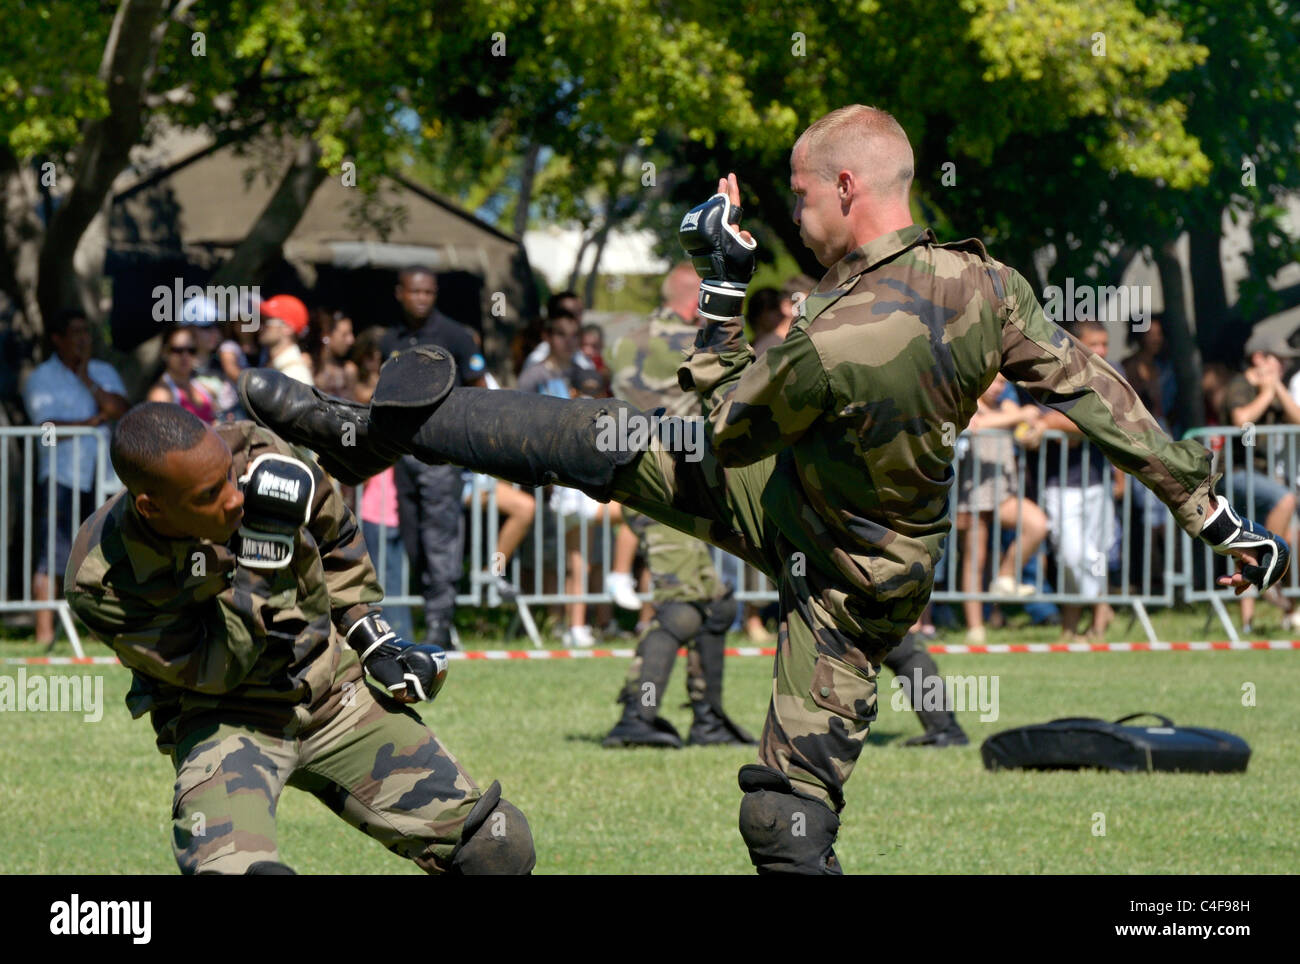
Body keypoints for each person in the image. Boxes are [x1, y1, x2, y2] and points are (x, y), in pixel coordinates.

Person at [238, 104, 1289, 874]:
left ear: (847, 189)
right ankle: (361, 431)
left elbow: (716, 420)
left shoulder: (832, 339)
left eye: (798, 189)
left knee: (600, 447)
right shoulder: (989, 285)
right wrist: (1212, 512)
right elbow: (1103, 396)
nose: (793, 206)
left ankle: (371, 430)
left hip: (812, 543)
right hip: (857, 550)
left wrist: (725, 292)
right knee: (600, 446)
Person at [63, 403, 533, 874]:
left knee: (496, 846)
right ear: (151, 506)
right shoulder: (104, 578)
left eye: (229, 476)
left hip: (330, 691)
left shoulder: (256, 454)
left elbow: (334, 535)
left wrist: (373, 638)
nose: (233, 498)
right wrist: (257, 563)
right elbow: (218, 671)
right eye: (210, 494)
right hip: (223, 720)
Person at [600, 262, 757, 746]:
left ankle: (708, 718)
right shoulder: (693, 344)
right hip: (672, 483)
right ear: (696, 303)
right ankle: (636, 716)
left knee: (714, 604)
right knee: (683, 605)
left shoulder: (624, 340)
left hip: (636, 477)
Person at [381, 267, 487, 649]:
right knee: (414, 542)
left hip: (441, 455)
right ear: (401, 293)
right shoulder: (389, 339)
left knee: (440, 538)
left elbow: (480, 388)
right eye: (415, 291)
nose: (422, 298)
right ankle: (433, 611)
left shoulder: (455, 335)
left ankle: (441, 623)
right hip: (402, 454)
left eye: (428, 291)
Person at [21, 307, 129, 646]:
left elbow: (121, 411)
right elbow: (46, 429)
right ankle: (44, 638)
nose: (83, 339)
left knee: (102, 557)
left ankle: (101, 636)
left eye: (87, 332)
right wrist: (92, 424)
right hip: (61, 476)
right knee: (52, 556)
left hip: (104, 479)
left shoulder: (104, 371)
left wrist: (87, 381)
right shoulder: (42, 377)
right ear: (57, 338)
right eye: (76, 332)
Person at [954, 372, 1048, 643]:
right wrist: (1022, 415)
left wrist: (1035, 429)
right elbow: (978, 425)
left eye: (1003, 384)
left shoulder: (1005, 406)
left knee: (1036, 524)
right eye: (994, 382)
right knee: (975, 559)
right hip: (972, 492)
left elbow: (1027, 429)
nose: (998, 389)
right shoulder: (968, 403)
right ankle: (975, 628)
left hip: (1004, 491)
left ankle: (1005, 576)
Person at [1221, 328, 1300, 632]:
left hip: (1263, 479)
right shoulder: (1239, 385)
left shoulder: (1274, 387)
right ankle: (1268, 565)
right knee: (1286, 499)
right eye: (1277, 359)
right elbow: (1242, 422)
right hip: (1238, 475)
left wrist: (1277, 389)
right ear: (1258, 358)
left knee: (1252, 542)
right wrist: (1268, 393)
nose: (1283, 365)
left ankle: (1247, 624)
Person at [147, 326, 217, 423]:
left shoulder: (203, 388)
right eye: (178, 350)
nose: (185, 356)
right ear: (165, 353)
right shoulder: (161, 394)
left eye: (191, 350)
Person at [517, 314, 583, 397]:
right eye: (561, 334)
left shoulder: (584, 375)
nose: (568, 341)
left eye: (574, 335)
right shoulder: (533, 377)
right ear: (546, 336)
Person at [258, 294, 313, 384]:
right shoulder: (277, 367)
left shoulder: (295, 374)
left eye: (266, 321)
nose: (260, 326)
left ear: (287, 328)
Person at [312, 309, 359, 399]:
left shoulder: (349, 371)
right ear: (327, 335)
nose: (351, 340)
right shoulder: (309, 365)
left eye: (351, 333)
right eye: (344, 334)